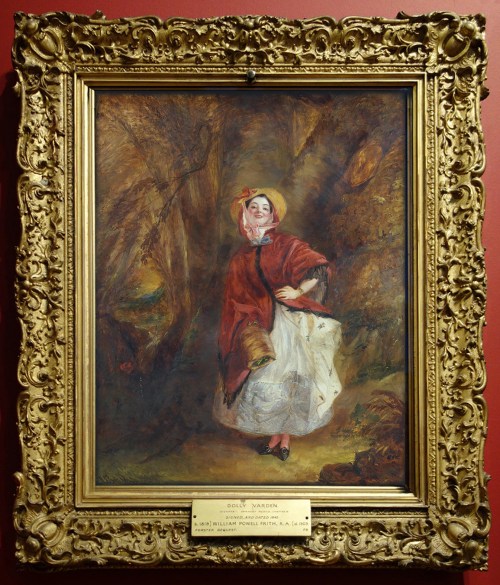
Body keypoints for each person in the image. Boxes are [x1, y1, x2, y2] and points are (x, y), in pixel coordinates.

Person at [213, 187, 342, 461]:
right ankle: (274, 437)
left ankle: (285, 439)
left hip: (288, 322)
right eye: (254, 207)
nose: (259, 212)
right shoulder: (240, 256)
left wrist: (297, 291)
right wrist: (247, 319)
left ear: (273, 214)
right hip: (259, 326)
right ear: (245, 213)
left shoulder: (286, 243)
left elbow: (317, 267)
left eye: (265, 208)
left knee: (291, 379)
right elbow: (235, 298)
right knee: (264, 379)